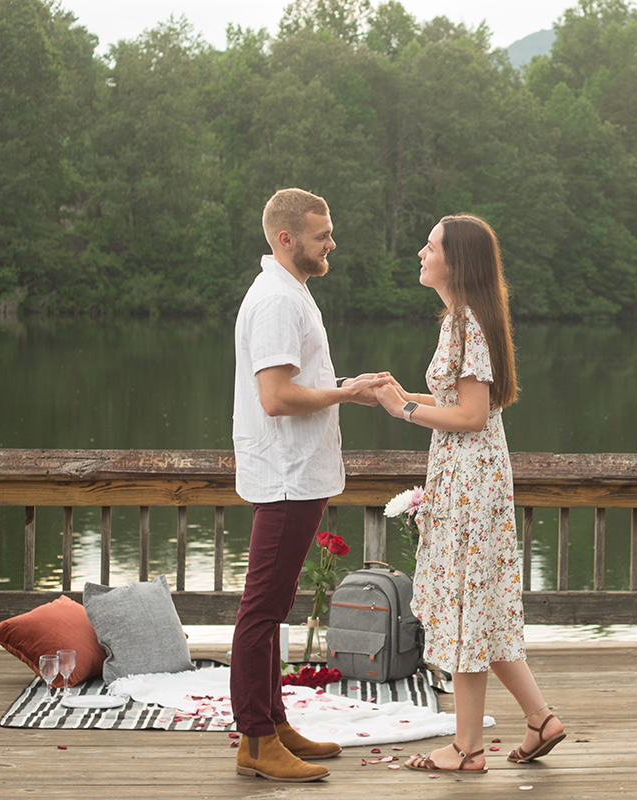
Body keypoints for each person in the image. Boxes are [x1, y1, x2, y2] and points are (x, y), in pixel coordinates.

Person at [375, 213, 566, 773]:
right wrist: (394, 393)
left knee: (464, 610)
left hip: (470, 486)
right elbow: (457, 401)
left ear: (455, 262)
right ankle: (540, 719)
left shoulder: (467, 324)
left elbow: (473, 414)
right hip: (470, 478)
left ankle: (466, 749)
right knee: (481, 610)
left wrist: (405, 409)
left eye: (430, 246)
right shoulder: (464, 318)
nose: (420, 252)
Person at [230, 188, 388, 782]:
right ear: (286, 239)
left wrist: (347, 383)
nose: (332, 243)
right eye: (322, 235)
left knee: (272, 608)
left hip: (298, 474)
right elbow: (275, 398)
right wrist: (346, 393)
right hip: (287, 476)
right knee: (262, 609)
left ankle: (272, 724)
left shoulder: (291, 292)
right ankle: (255, 738)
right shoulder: (275, 299)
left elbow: (301, 382)